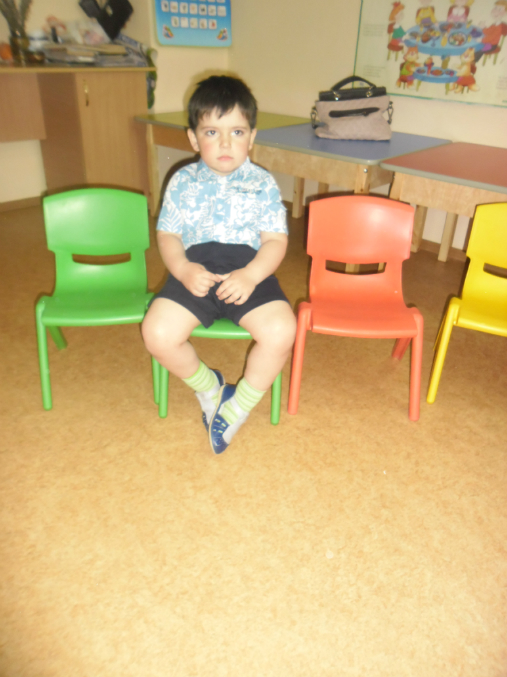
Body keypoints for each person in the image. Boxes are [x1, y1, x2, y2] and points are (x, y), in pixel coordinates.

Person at [142, 75, 297, 454]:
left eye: (237, 132)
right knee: (156, 333)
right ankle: (210, 387)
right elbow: (168, 235)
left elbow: (275, 241)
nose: (225, 143)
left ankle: (238, 405)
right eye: (212, 132)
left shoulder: (263, 183)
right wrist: (182, 269)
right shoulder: (181, 181)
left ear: (252, 137)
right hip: (195, 269)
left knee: (282, 331)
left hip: (248, 269)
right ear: (194, 139)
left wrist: (252, 275)